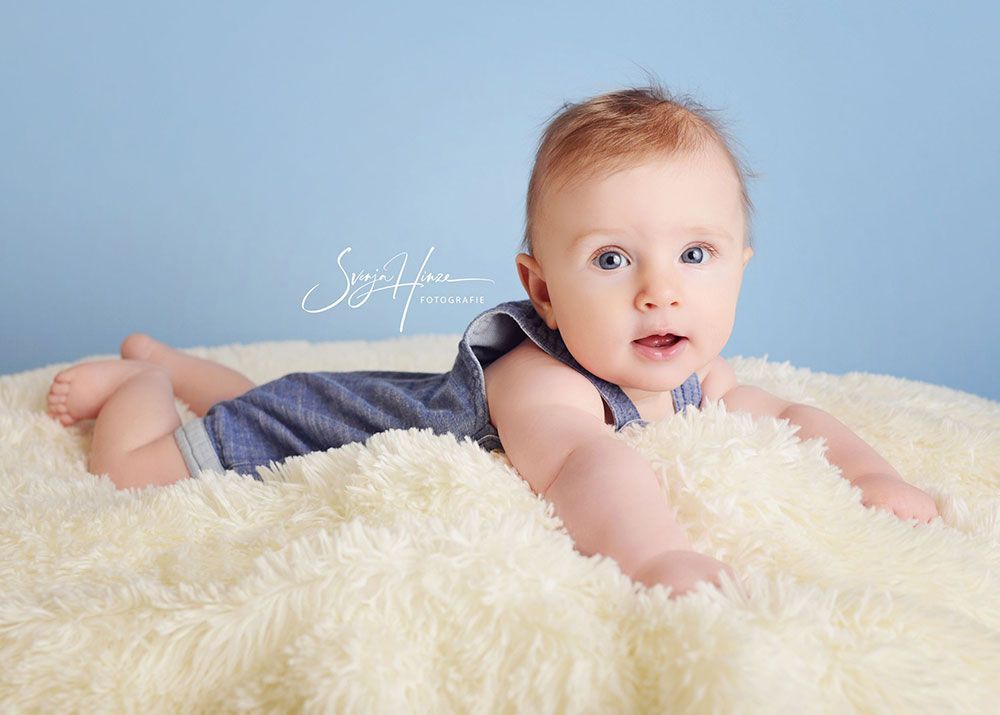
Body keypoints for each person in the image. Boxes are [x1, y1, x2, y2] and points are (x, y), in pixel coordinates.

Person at [46, 80, 939, 598]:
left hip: (342, 387)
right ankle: (143, 390)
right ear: (542, 291)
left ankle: (183, 366)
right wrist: (658, 555)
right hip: (294, 423)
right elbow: (588, 467)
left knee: (301, 386)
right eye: (612, 258)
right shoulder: (541, 386)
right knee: (140, 466)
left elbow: (790, 412)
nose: (659, 289)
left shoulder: (700, 370)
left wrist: (871, 475)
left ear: (741, 262)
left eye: (695, 253)